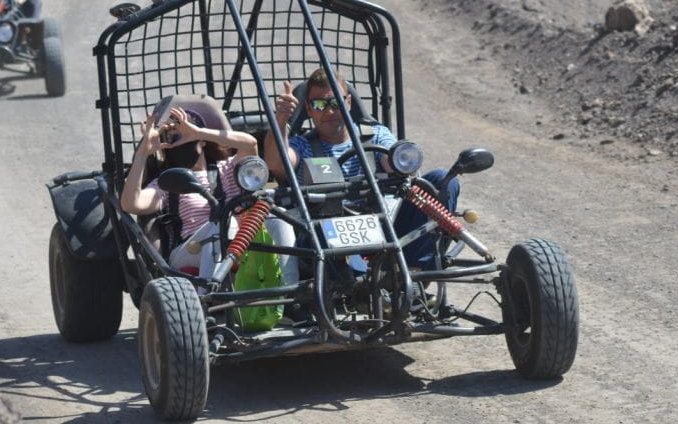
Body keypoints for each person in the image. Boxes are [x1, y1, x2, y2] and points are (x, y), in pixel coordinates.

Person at [265, 67, 460, 270]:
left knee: (442, 179)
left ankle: (414, 273)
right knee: (312, 230)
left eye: (336, 102)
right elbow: (276, 164)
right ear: (308, 108)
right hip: (324, 235)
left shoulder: (374, 135)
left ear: (348, 102)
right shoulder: (301, 145)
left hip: (384, 224)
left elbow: (396, 163)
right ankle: (351, 283)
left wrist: (399, 163)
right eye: (319, 105)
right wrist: (280, 120)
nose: (329, 111)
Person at [120, 103, 297, 286]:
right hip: (190, 250)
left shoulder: (227, 169)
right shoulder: (168, 182)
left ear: (202, 139)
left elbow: (249, 144)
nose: (179, 137)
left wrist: (199, 132)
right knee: (222, 225)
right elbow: (130, 203)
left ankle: (290, 289)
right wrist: (143, 153)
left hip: (240, 243)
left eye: (183, 129)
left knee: (279, 218)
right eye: (172, 135)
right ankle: (210, 295)